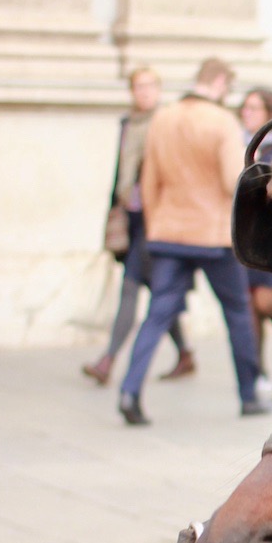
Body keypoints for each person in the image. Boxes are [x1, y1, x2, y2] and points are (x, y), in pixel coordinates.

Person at [118, 59, 267, 426]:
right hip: (214, 236)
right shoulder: (221, 122)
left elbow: (148, 180)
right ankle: (248, 395)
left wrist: (155, 226)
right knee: (237, 314)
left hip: (169, 233)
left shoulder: (163, 118)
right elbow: (235, 182)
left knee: (157, 314)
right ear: (218, 82)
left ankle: (130, 389)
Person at [82, 68, 194, 386]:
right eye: (137, 87)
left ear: (158, 89)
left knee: (131, 287)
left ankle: (108, 360)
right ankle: (185, 352)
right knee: (158, 291)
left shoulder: (167, 124)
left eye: (148, 86)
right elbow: (121, 173)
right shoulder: (127, 124)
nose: (143, 92)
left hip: (156, 219)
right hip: (131, 218)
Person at [239, 87, 272, 366]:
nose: (247, 113)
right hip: (248, 233)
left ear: (269, 113)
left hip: (271, 232)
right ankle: (254, 369)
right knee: (250, 308)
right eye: (245, 108)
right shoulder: (241, 144)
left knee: (263, 302)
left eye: (254, 108)